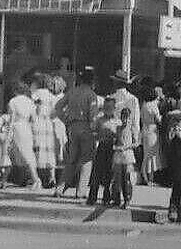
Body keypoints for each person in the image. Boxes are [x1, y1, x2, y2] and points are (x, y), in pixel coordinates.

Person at [53, 67, 100, 199]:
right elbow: (93, 115)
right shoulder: (91, 95)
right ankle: (81, 191)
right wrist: (95, 130)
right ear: (92, 80)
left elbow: (58, 107)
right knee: (86, 159)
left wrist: (66, 120)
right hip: (86, 127)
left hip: (72, 127)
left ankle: (60, 188)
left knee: (72, 159)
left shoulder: (72, 92)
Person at [0, 79, 36, 188]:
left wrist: (8, 135)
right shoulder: (30, 102)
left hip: (17, 128)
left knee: (10, 155)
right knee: (27, 154)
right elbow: (33, 118)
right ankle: (32, 178)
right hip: (27, 128)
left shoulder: (13, 101)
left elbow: (11, 119)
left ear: (15, 91)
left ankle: (34, 179)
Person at [89, 98, 119, 206]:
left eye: (110, 107)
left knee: (109, 174)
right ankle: (92, 197)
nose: (107, 109)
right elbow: (93, 133)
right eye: (105, 107)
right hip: (102, 147)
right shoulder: (99, 120)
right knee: (97, 173)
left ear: (114, 108)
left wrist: (114, 135)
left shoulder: (117, 121)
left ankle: (107, 197)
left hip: (112, 148)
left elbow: (121, 137)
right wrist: (99, 135)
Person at [110, 106, 139, 208]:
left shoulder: (132, 128)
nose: (125, 120)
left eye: (127, 118)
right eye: (123, 118)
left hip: (127, 155)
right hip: (118, 154)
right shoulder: (118, 128)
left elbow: (136, 143)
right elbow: (116, 140)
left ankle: (127, 199)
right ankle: (116, 198)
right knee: (117, 178)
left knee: (126, 178)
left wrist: (126, 147)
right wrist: (115, 145)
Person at [139, 86, 165, 185]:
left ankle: (149, 178)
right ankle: (147, 177)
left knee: (147, 155)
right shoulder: (153, 106)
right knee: (151, 156)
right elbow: (158, 119)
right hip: (153, 130)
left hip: (145, 129)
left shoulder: (144, 105)